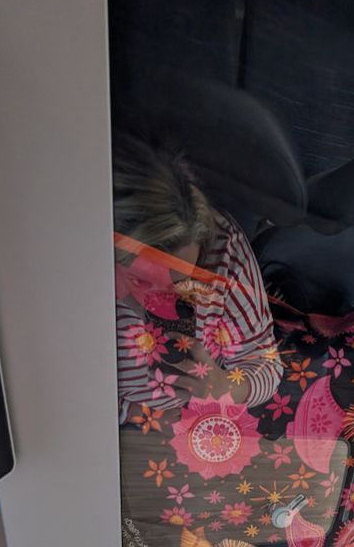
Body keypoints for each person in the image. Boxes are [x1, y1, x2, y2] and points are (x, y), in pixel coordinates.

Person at [114, 136, 282, 424]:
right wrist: (132, 416)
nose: (158, 303)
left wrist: (231, 388)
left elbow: (266, 363)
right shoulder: (71, 271)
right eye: (139, 281)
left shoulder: (223, 251)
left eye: (180, 283)